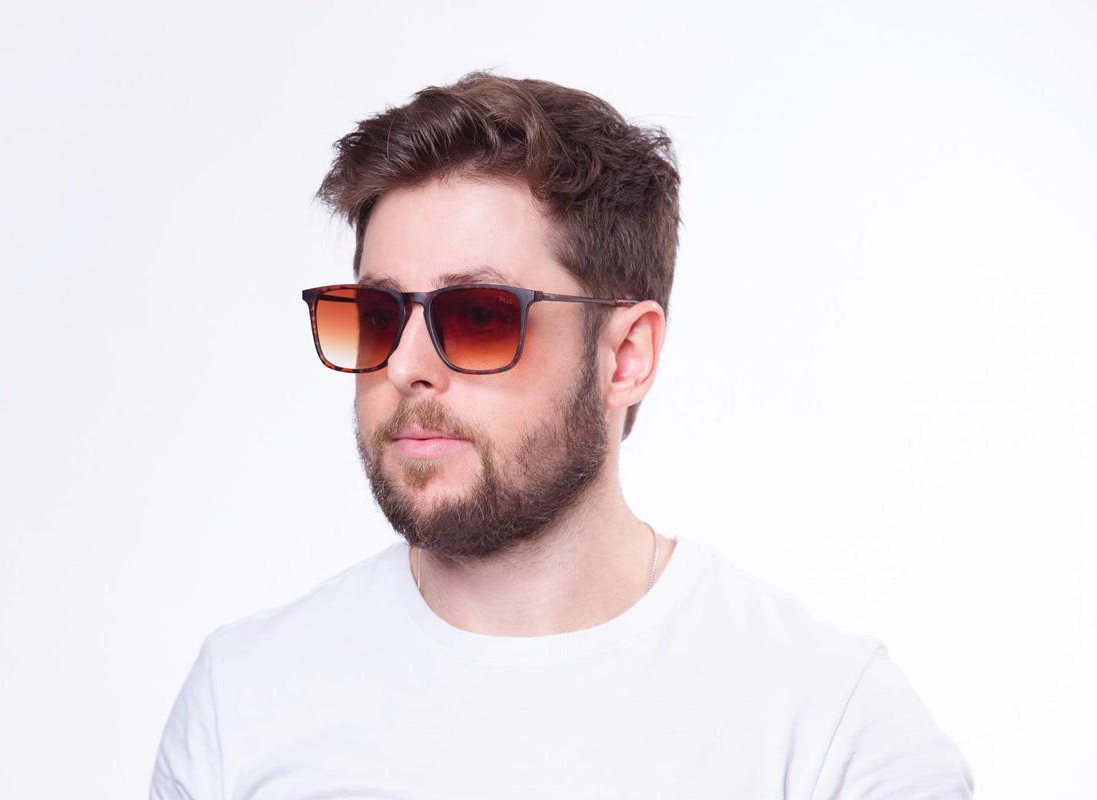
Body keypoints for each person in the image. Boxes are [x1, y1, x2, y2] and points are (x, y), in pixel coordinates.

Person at [149, 70, 974, 799]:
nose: (404, 366)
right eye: (375, 315)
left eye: (478, 316)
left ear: (626, 357)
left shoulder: (832, 731)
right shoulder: (245, 703)